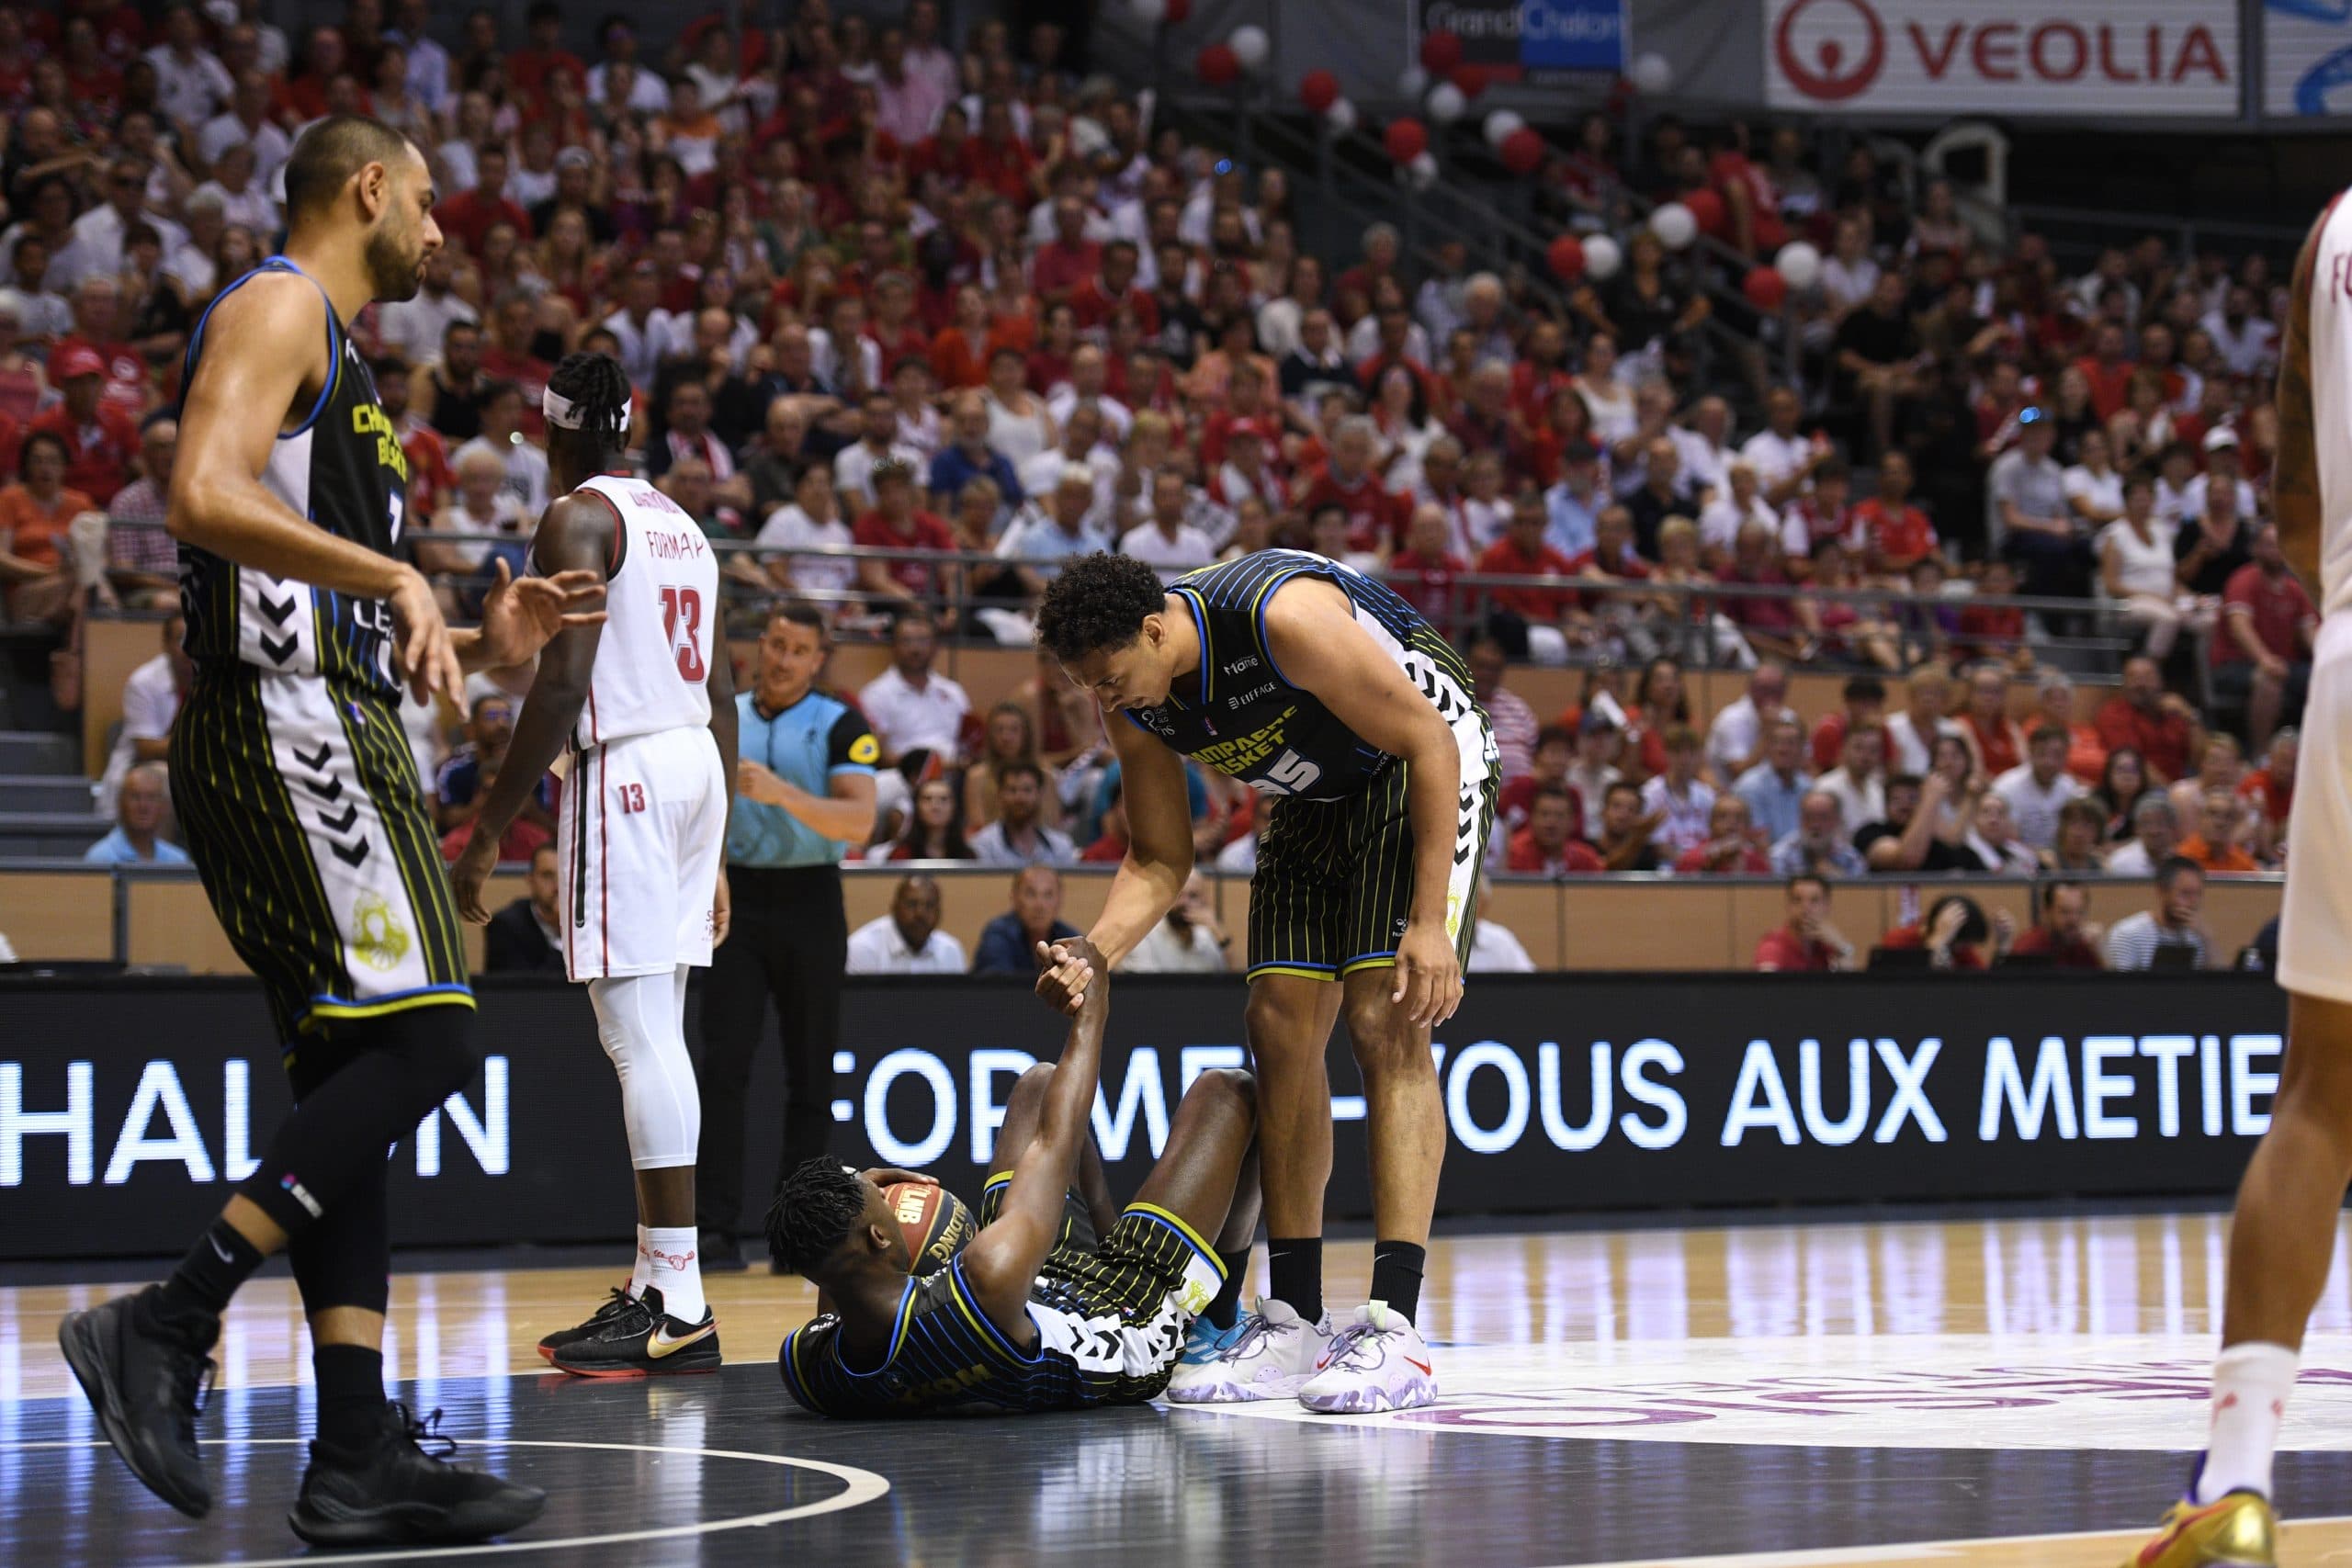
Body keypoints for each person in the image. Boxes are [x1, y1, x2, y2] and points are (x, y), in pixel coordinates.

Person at [58, 116, 576, 1547]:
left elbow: (298, 567)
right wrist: (394, 570)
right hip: (287, 731)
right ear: (366, 188)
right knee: (430, 1042)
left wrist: (477, 627)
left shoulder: (346, 370)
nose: (442, 229)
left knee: (359, 1084)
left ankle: (354, 1448)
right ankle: (169, 1317)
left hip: (315, 723)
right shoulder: (284, 302)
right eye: (426, 200)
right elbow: (198, 496)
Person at [1033, 547, 1497, 1412]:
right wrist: (1094, 950)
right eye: (1085, 686)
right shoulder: (1133, 699)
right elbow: (1161, 857)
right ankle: (1293, 1320)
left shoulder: (1278, 619)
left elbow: (1429, 740)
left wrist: (1429, 922)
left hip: (1418, 762)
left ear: (1154, 627)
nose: (1102, 699)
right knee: (1277, 1025)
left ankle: (1397, 1328)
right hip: (1314, 796)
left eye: (1107, 678)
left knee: (1381, 1019)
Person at [2124, 198, 2352, 1563]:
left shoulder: (2330, 226)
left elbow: (2295, 493)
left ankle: (2240, 1481)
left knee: (2322, 1091)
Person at [448, 352, 738, 1379]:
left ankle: (680, 1298)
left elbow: (562, 679)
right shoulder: (683, 523)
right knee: (659, 1029)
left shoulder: (576, 517)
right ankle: (666, 1288)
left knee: (635, 1035)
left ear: (550, 429)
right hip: (694, 761)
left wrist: (487, 833)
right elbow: (728, 688)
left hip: (624, 769)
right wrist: (719, 844)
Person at [775, 940, 1264, 1416]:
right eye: (880, 1199)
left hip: (1030, 1299)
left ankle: (1116, 1243)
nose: (888, 1192)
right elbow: (1056, 1139)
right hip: (1126, 1324)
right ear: (880, 1236)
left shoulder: (810, 1369)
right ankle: (1216, 1321)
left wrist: (852, 1205)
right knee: (1230, 1092)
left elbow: (833, 1306)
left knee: (1037, 1084)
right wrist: (1094, 1005)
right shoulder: (984, 1279)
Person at [695, 604, 879, 1270]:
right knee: (722, 1068)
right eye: (774, 643)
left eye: (798, 649)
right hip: (735, 895)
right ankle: (712, 1230)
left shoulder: (840, 723)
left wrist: (780, 793)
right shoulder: (724, 712)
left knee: (810, 1074)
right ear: (761, 644)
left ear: (817, 659)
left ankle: (795, 1238)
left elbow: (860, 823)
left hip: (810, 900)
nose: (781, 658)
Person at [2215, 522, 2317, 754]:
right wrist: (2264, 659)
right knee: (2268, 678)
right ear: (2256, 549)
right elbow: (2240, 626)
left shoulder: (2294, 588)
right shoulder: (2244, 579)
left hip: (2285, 663)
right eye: (2269, 545)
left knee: (2326, 677)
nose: (2276, 551)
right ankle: (2260, 756)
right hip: (2236, 664)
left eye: (2280, 545)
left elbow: (2310, 631)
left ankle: (2317, 752)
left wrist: (2327, 660)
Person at [859, 607, 972, 765]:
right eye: (907, 641)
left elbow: (969, 741)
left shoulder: (953, 691)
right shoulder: (876, 693)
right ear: (894, 646)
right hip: (901, 775)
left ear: (935, 646)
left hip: (954, 773)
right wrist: (923, 769)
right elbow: (874, 751)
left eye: (923, 641)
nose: (915, 649)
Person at [844, 874, 970, 974]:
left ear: (939, 913)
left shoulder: (950, 951)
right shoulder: (862, 949)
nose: (920, 914)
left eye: (930, 906)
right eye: (911, 904)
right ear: (894, 908)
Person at [2103, 856, 2211, 972]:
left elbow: (2216, 985)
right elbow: (2121, 987)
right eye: (2185, 894)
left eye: (2198, 894)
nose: (2193, 902)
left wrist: (2207, 938)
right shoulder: (2128, 934)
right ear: (2161, 892)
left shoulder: (2196, 935)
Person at [1991, 723, 2087, 852]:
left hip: (2058, 861)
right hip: (2015, 861)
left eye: (2057, 755)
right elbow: (2003, 840)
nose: (2049, 762)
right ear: (2030, 752)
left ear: (2066, 757)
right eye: (2042, 753)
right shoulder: (2006, 786)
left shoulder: (2069, 788)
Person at [973, 865, 1081, 974]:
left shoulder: (1069, 937)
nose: (1040, 905)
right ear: (1014, 897)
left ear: (1060, 900)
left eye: (1048, 895)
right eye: (1030, 894)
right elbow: (997, 985)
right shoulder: (997, 935)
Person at [970, 759, 1077, 866]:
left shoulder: (1061, 846)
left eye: (1027, 790)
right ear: (999, 795)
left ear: (1040, 794)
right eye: (1012, 790)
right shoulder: (983, 845)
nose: (1020, 798)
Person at [1120, 870, 1231, 973]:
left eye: (1193, 896)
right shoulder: (1141, 937)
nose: (1184, 902)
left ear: (1204, 901)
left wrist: (1219, 933)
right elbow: (1146, 990)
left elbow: (1232, 986)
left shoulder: (1206, 936)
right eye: (1178, 895)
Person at [84, 762, 192, 865]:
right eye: (135, 797)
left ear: (165, 806)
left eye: (152, 798)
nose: (143, 806)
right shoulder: (100, 859)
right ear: (120, 804)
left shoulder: (177, 860)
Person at [482, 841, 565, 973]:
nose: (558, 887)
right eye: (548, 876)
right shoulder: (506, 927)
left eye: (566, 877)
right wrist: (564, 937)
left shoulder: (594, 924)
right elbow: (522, 990)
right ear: (530, 880)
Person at [1752, 874, 1855, 971]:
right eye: (1797, 900)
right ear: (1788, 906)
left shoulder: (1827, 944)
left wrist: (1841, 946)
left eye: (1814, 900)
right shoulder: (1773, 946)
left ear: (1827, 906)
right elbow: (1767, 987)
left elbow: (1849, 986)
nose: (1806, 908)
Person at [2005, 881, 2105, 968]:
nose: (2074, 919)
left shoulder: (2086, 947)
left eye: (2080, 912)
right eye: (2065, 912)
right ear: (2047, 912)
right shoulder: (2028, 949)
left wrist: (2100, 953)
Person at [1770, 788, 1866, 877]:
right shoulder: (1781, 855)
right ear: (1800, 819)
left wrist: (1838, 879)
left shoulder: (1851, 859)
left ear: (1837, 820)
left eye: (1823, 818)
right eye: (1809, 817)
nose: (1815, 825)